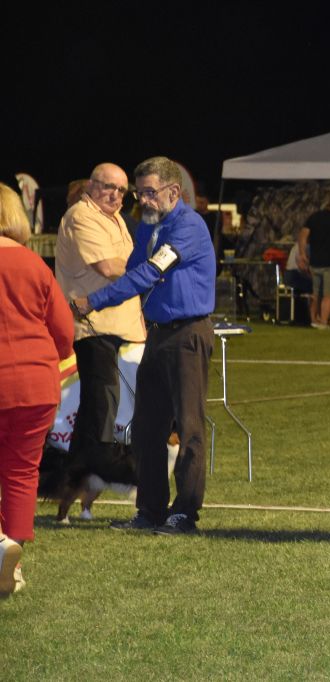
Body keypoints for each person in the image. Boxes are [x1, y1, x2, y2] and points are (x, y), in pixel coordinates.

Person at [72, 156, 216, 536]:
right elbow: (136, 270)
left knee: (189, 428)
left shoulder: (188, 227)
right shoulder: (152, 226)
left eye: (150, 193)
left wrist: (93, 301)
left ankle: (184, 514)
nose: (144, 200)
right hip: (158, 335)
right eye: (141, 193)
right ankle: (150, 511)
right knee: (146, 429)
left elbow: (149, 273)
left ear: (174, 191)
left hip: (187, 335)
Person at [0, 182, 75, 596]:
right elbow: (63, 332)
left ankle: (0, 545)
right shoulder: (34, 264)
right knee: (21, 472)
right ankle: (12, 558)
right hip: (35, 384)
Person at [56, 164, 146, 475]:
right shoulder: (82, 216)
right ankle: (96, 469)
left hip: (120, 326)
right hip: (95, 326)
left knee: (98, 406)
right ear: (92, 186)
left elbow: (124, 264)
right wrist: (148, 267)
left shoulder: (114, 218)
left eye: (122, 190)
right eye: (109, 187)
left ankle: (74, 477)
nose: (116, 195)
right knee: (101, 405)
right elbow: (108, 267)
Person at [297, 196, 330, 329]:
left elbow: (303, 235)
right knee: (329, 294)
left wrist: (302, 253)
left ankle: (314, 320)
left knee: (316, 294)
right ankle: (323, 322)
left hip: (315, 262)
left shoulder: (314, 217)